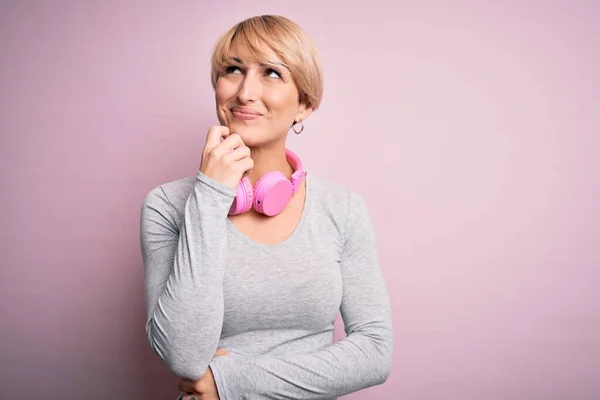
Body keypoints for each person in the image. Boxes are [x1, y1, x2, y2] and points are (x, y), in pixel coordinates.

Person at [140, 15, 393, 400]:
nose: (245, 93)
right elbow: (184, 356)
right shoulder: (167, 205)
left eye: (272, 72)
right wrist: (209, 195)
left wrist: (230, 381)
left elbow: (374, 352)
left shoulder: (341, 208)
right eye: (233, 70)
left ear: (304, 104)